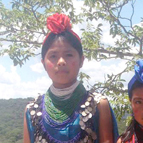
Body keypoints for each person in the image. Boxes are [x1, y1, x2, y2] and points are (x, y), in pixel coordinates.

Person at [23, 13, 118, 143]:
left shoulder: (98, 105)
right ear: (43, 63)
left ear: (81, 61)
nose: (61, 61)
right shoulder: (33, 110)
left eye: (68, 54)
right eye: (53, 56)